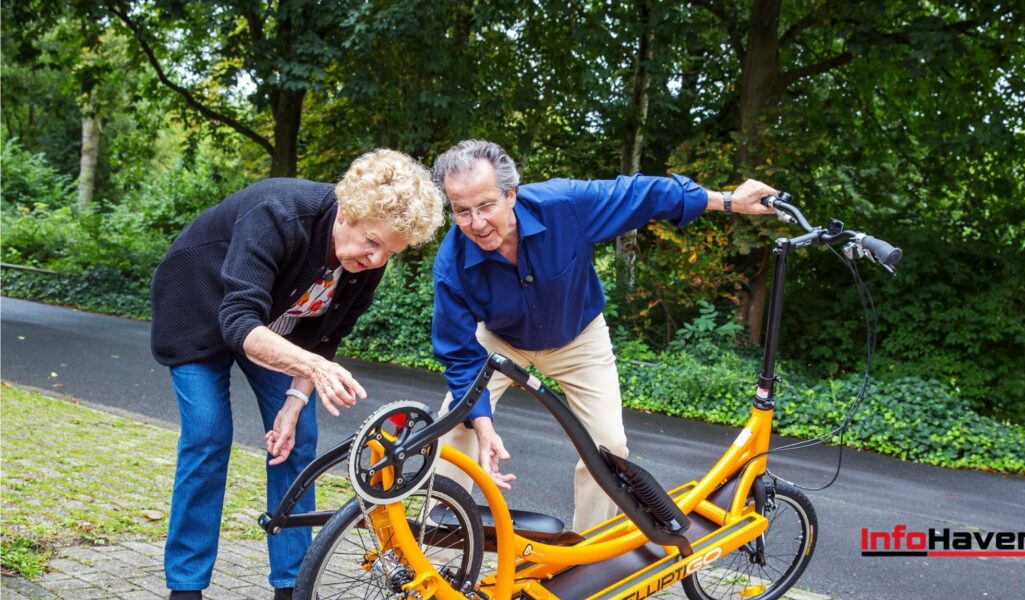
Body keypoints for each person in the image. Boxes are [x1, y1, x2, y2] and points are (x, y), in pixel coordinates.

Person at [429, 139, 775, 533]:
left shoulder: (565, 205)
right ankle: (439, 538)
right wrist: (483, 424)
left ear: (511, 194)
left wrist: (728, 201)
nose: (476, 223)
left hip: (579, 338)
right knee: (456, 425)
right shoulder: (452, 262)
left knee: (610, 448)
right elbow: (458, 352)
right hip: (501, 341)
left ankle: (585, 559)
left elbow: (643, 195)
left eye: (486, 205)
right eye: (462, 211)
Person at [150, 149, 444, 600]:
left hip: (271, 326)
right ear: (348, 209)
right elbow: (239, 322)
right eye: (371, 242)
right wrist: (312, 368)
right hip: (199, 310)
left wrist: (295, 401)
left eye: (390, 251)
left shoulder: (364, 261)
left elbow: (323, 339)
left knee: (297, 438)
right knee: (208, 435)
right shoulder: (279, 214)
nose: (376, 258)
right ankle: (186, 588)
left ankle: (291, 586)